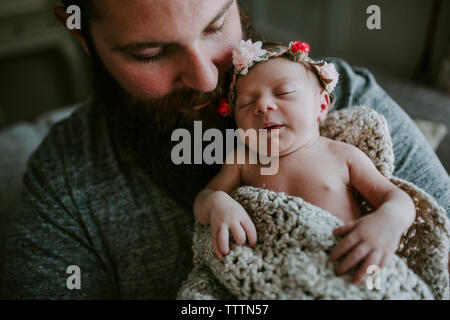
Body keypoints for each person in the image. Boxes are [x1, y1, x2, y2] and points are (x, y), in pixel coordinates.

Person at [1, 0, 449, 299]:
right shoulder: (65, 181)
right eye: (151, 52)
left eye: (216, 25)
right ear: (78, 31)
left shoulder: (343, 93)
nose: (208, 80)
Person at [193, 40, 417, 285]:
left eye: (283, 93)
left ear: (321, 106)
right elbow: (205, 197)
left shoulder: (342, 155)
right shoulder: (243, 160)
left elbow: (395, 197)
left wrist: (388, 221)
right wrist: (217, 203)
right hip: (274, 278)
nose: (263, 105)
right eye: (246, 103)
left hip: (343, 273)